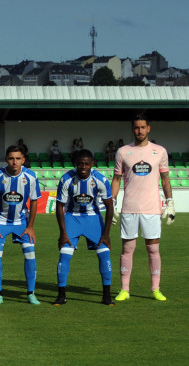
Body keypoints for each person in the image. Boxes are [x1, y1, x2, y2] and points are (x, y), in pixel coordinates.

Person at [111, 115, 173, 302]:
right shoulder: (123, 152)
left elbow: (165, 179)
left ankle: (155, 289)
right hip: (129, 208)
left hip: (152, 209)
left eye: (143, 127)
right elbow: (116, 179)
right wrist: (112, 202)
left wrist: (170, 202)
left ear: (149, 128)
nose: (140, 131)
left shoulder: (159, 151)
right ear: (132, 129)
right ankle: (124, 290)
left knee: (153, 250)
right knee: (127, 249)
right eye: (137, 128)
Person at [53, 149, 115, 306]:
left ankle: (106, 296)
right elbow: (60, 206)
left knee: (104, 254)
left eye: (87, 164)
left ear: (92, 164)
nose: (83, 167)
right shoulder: (66, 179)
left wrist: (106, 234)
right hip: (72, 218)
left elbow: (109, 206)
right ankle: (61, 296)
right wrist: (63, 233)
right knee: (64, 255)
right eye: (80, 163)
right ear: (76, 164)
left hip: (93, 219)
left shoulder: (100, 180)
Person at [0, 145, 41, 305]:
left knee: (30, 255)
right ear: (6, 159)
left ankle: (31, 293)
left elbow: (35, 201)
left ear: (23, 159)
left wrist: (30, 226)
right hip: (0, 221)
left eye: (18, 158)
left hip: (22, 222)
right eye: (11, 158)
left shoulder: (30, 176)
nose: (14, 162)